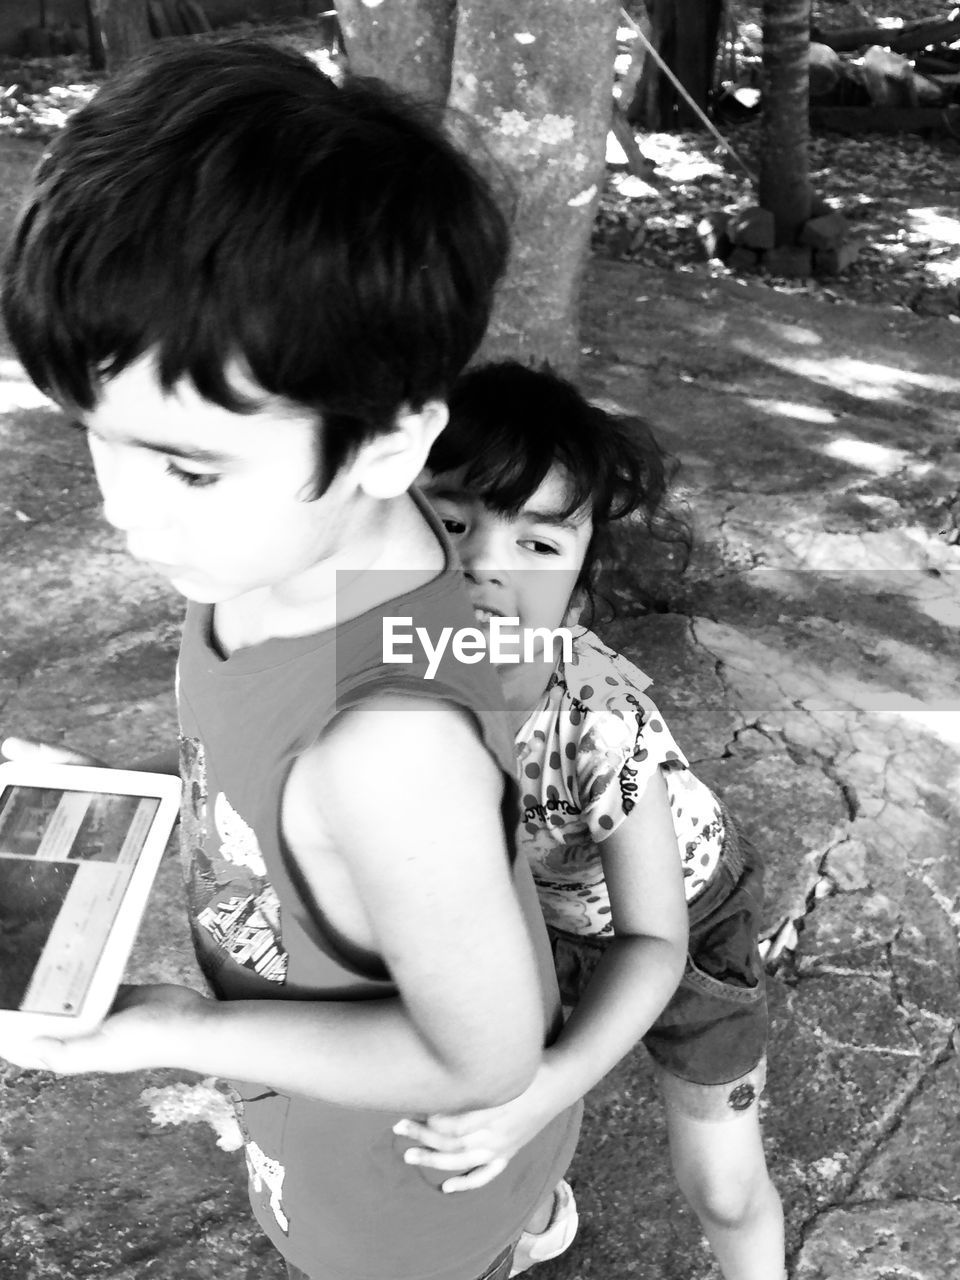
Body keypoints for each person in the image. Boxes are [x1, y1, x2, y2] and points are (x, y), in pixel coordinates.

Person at [0, 45, 581, 1280]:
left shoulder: (385, 751)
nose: (128, 511)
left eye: (190, 466)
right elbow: (270, 756)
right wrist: (102, 776)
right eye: (100, 440)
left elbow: (484, 1062)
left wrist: (186, 1030)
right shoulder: (287, 556)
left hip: (399, 1188)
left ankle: (511, 1231)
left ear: (386, 443)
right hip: (321, 1078)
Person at [400, 361, 786, 1280]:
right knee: (499, 1133)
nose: (484, 566)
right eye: (453, 523)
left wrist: (553, 1086)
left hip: (684, 920)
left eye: (537, 545)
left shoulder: (599, 718)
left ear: (577, 593)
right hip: (530, 914)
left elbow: (653, 940)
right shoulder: (380, 667)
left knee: (724, 1187)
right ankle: (538, 1214)